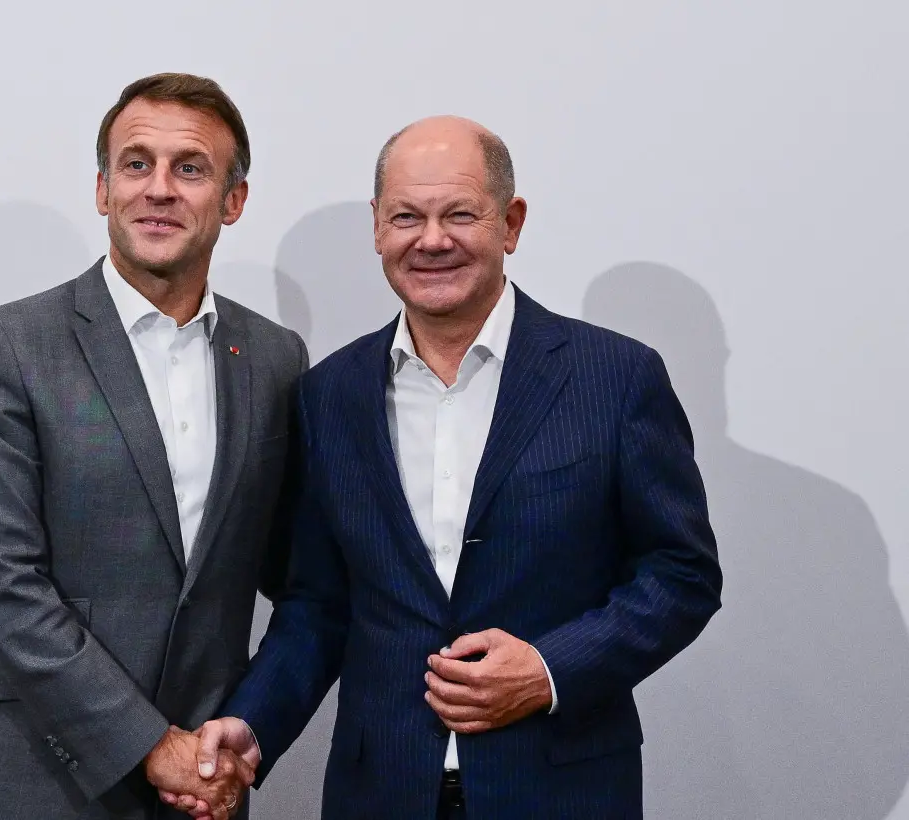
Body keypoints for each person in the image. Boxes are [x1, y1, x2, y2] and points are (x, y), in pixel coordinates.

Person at [165, 116, 723, 819]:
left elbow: (681, 574)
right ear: (377, 228)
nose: (432, 240)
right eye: (406, 217)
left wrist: (550, 669)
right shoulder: (328, 396)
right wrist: (253, 724)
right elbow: (319, 605)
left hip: (562, 789)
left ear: (510, 223)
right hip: (380, 795)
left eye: (460, 214)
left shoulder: (616, 377)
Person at [0, 72, 307, 820]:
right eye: (136, 164)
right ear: (104, 189)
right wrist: (151, 745)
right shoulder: (4, 346)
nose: (160, 189)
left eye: (191, 168)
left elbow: (296, 576)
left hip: (197, 793)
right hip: (17, 778)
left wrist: (240, 735)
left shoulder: (275, 359)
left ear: (234, 201)